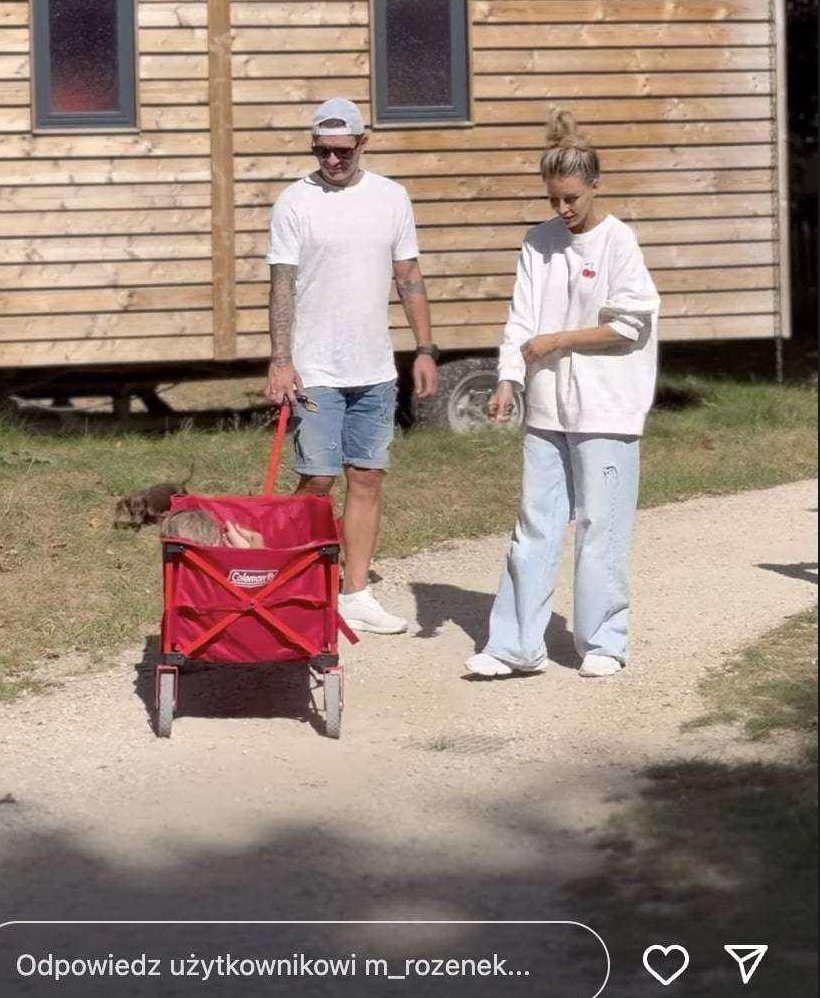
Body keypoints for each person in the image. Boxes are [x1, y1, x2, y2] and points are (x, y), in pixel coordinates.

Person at [466, 109, 660, 681]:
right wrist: (509, 377)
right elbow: (520, 317)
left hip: (608, 407)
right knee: (534, 523)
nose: (563, 209)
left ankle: (603, 642)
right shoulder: (538, 242)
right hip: (549, 407)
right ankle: (514, 645)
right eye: (553, 199)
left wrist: (560, 339)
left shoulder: (618, 241)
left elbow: (630, 325)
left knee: (600, 526)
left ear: (594, 185)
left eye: (571, 198)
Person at [265, 97, 438, 634]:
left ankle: (355, 592)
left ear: (363, 143)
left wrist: (425, 349)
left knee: (367, 477)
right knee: (316, 480)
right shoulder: (295, 201)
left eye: (342, 151)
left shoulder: (391, 197)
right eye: (322, 151)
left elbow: (408, 275)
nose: (332, 161)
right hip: (317, 369)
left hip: (375, 368)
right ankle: (284, 583)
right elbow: (282, 284)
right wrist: (281, 360)